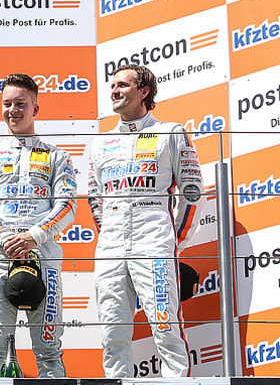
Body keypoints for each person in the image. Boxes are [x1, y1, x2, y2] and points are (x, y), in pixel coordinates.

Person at [89, 65, 202, 377]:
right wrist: (109, 234)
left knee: (165, 326)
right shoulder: (100, 143)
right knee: (112, 333)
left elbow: (192, 192)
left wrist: (172, 241)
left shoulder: (171, 132)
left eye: (123, 85)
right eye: (113, 85)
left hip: (153, 242)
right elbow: (95, 199)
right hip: (110, 248)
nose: (115, 91)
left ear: (144, 91)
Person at [0, 73, 77, 377]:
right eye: (7, 104)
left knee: (49, 348)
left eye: (20, 104)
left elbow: (67, 205)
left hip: (43, 254)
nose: (12, 110)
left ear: (35, 109)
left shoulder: (57, 156)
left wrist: (33, 237)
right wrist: (4, 236)